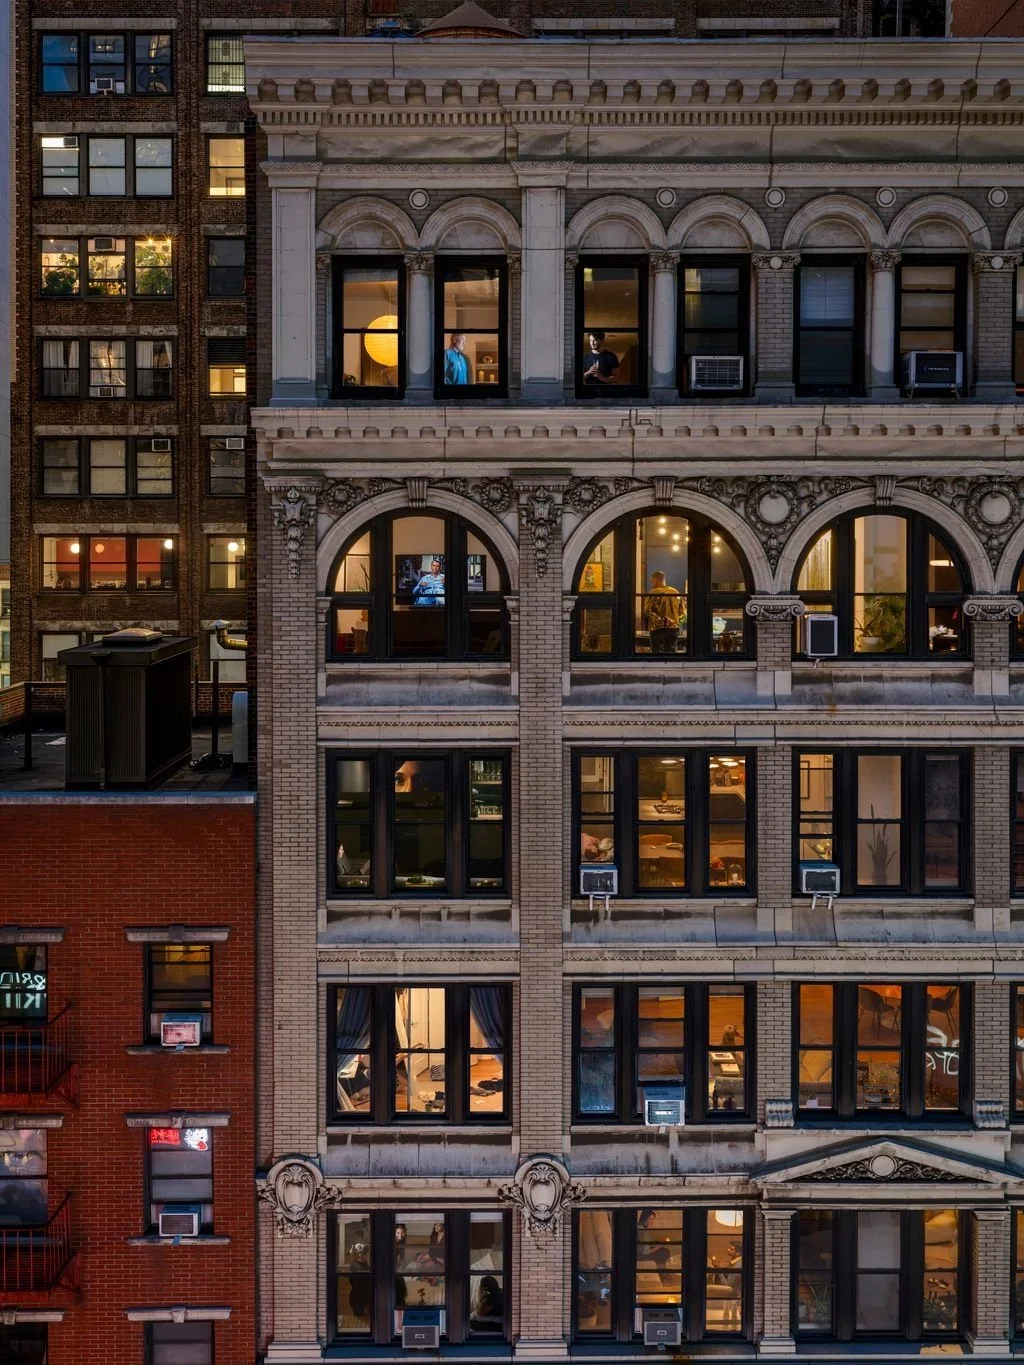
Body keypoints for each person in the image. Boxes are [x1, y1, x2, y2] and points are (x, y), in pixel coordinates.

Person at [644, 571, 682, 653]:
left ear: (656, 579)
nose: (651, 582)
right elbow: (682, 611)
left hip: (658, 629)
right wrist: (672, 621)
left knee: (658, 656)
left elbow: (647, 611)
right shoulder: (675, 591)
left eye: (652, 580)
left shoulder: (653, 592)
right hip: (674, 628)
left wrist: (662, 620)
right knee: (671, 655)